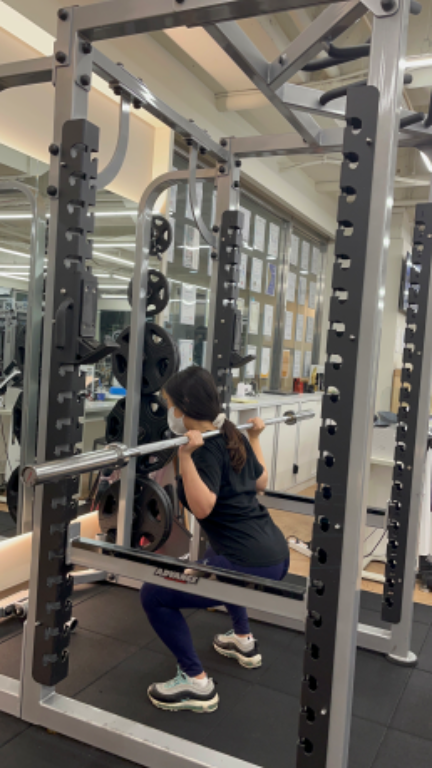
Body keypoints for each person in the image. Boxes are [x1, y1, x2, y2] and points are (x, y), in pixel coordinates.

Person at [140, 366, 289, 713]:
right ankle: (242, 639)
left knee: (153, 595)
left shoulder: (204, 449)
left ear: (185, 407)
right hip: (275, 554)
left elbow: (203, 507)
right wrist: (255, 438)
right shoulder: (231, 433)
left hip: (250, 562)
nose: (169, 413)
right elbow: (261, 481)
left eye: (170, 405)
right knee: (216, 561)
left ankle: (195, 682)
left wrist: (184, 456)